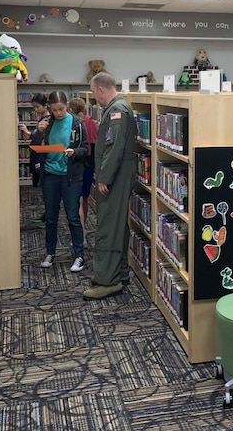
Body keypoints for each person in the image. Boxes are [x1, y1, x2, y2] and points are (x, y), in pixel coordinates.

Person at [83, 72, 135, 300]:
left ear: (101, 90)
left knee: (108, 227)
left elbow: (114, 148)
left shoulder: (117, 111)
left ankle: (108, 281)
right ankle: (118, 272)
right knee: (116, 225)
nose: (94, 97)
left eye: (94, 93)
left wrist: (104, 177)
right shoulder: (116, 108)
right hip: (118, 175)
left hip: (115, 177)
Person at [38, 91, 89, 273]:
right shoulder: (47, 122)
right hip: (50, 175)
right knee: (51, 217)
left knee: (73, 216)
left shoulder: (77, 123)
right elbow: (37, 146)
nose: (58, 113)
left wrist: (74, 152)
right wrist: (39, 132)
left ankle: (79, 255)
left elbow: (85, 148)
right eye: (54, 110)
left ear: (67, 105)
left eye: (61, 109)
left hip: (70, 176)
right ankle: (50, 252)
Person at [68, 97, 98, 232]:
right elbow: (96, 141)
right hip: (89, 163)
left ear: (70, 109)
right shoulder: (90, 121)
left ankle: (77, 229)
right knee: (84, 197)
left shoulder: (73, 123)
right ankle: (83, 226)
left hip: (76, 163)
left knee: (75, 198)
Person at [19, 93, 50, 227]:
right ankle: (45, 216)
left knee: (47, 190)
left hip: (41, 156)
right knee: (43, 189)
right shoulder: (42, 119)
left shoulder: (47, 120)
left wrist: (28, 132)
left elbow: (42, 139)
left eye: (37, 107)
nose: (35, 110)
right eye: (34, 107)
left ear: (45, 106)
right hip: (37, 155)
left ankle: (48, 218)